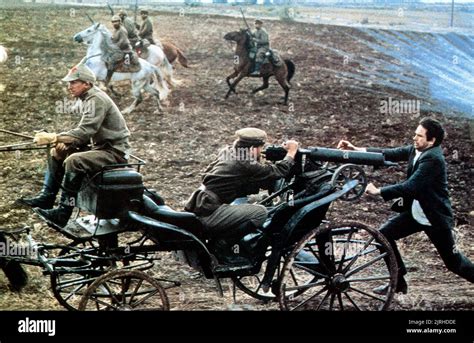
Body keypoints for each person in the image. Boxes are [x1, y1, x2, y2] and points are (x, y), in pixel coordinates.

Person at [337, 117, 474, 294]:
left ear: (431, 141)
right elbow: (387, 153)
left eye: (419, 136)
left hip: (434, 218)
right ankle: (398, 281)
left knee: (454, 263)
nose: (414, 138)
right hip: (416, 214)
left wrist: (379, 191)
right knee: (383, 235)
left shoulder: (433, 159)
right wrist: (357, 150)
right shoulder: (416, 150)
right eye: (415, 134)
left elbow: (411, 187)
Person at [18, 62, 131, 228]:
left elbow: (86, 131)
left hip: (114, 152)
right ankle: (47, 198)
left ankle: (63, 213)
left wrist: (54, 137)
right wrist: (64, 142)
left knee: (74, 161)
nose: (69, 87)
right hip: (100, 148)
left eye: (73, 83)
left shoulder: (96, 99)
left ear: (86, 83)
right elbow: (86, 133)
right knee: (57, 152)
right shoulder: (87, 98)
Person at [185, 128, 298, 262]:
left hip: (201, 204)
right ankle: (222, 245)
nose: (261, 151)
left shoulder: (228, 151)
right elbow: (278, 171)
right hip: (209, 213)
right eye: (261, 147)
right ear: (252, 148)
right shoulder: (245, 162)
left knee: (257, 199)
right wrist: (291, 152)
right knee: (260, 212)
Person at [106, 15, 135, 84]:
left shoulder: (122, 30)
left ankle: (107, 79)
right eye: (113, 22)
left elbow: (123, 42)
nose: (114, 23)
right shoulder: (116, 30)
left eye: (116, 21)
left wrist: (114, 47)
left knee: (111, 61)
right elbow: (114, 38)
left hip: (124, 50)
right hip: (118, 49)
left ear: (120, 22)